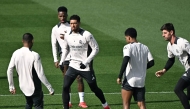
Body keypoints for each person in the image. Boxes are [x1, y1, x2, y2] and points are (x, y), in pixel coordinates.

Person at [60, 15, 111, 109]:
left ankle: (105, 105)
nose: (73, 25)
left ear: (79, 23)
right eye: (71, 23)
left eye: (75, 23)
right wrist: (61, 61)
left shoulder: (86, 35)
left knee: (94, 88)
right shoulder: (67, 35)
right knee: (65, 87)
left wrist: (86, 62)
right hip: (73, 65)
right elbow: (65, 49)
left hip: (85, 67)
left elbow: (96, 48)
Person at [51, 6, 87, 108]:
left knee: (79, 77)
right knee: (67, 80)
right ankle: (69, 102)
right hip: (64, 58)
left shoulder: (72, 26)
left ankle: (82, 101)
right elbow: (54, 44)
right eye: (60, 16)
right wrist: (55, 59)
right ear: (58, 16)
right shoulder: (55, 29)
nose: (62, 18)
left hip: (76, 57)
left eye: (64, 16)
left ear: (67, 15)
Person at [7, 33, 54, 109]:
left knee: (29, 103)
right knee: (38, 105)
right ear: (32, 41)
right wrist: (50, 87)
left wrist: (11, 86)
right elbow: (40, 74)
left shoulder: (15, 53)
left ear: (22, 41)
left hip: (23, 85)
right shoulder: (35, 55)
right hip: (34, 86)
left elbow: (9, 70)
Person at [117, 28, 154, 109]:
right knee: (141, 105)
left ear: (129, 37)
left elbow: (126, 60)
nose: (126, 39)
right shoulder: (145, 47)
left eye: (126, 38)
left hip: (130, 80)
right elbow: (151, 62)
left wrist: (119, 76)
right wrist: (143, 68)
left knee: (126, 104)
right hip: (141, 81)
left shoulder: (127, 47)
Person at [155, 23, 190, 109]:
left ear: (171, 32)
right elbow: (171, 60)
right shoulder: (169, 46)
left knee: (178, 89)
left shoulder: (182, 43)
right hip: (188, 69)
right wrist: (164, 70)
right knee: (188, 97)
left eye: (165, 33)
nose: (163, 35)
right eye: (163, 33)